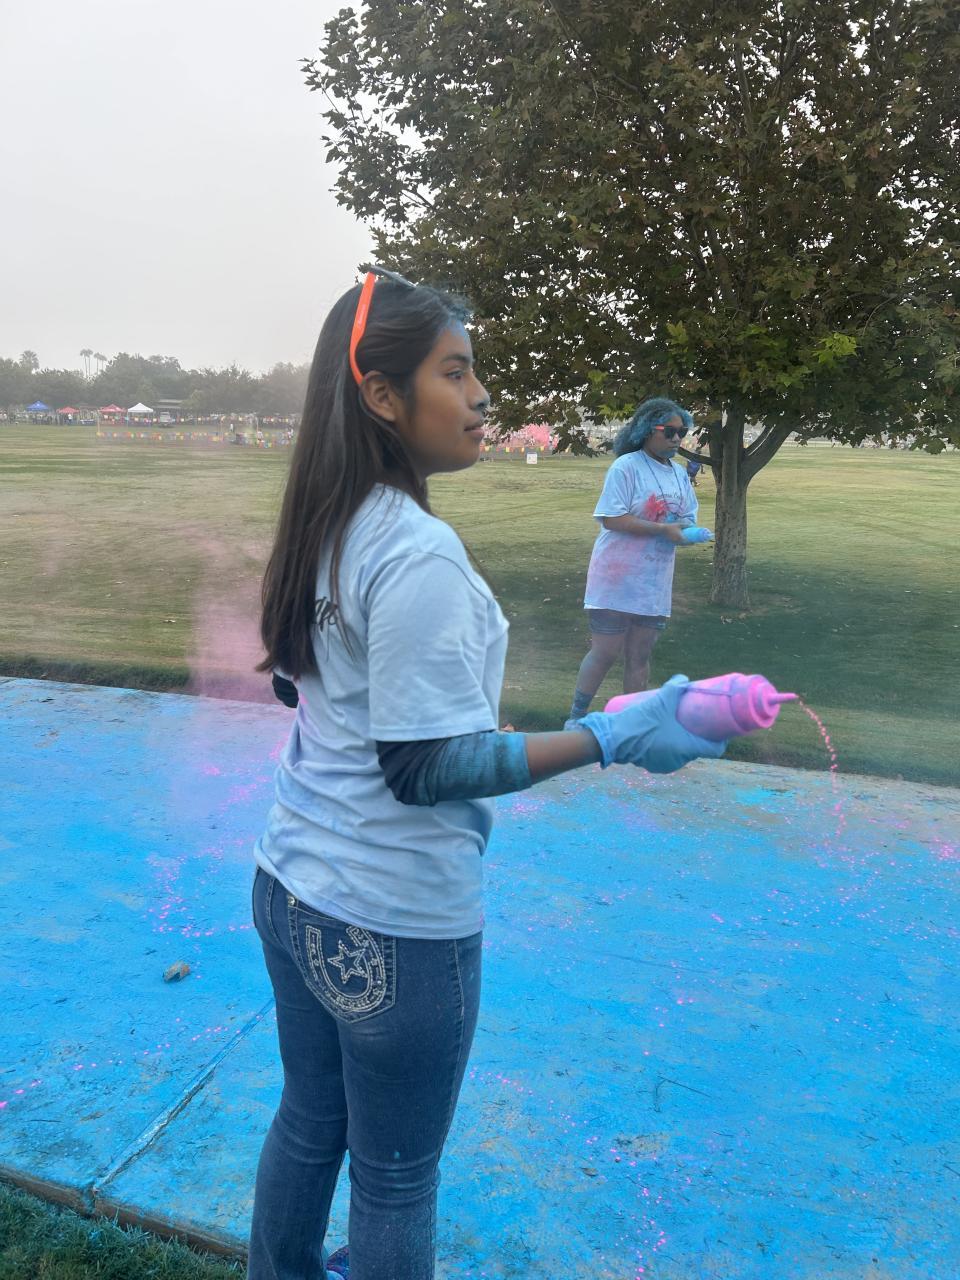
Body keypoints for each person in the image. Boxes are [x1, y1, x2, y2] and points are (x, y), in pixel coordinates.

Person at [248, 270, 725, 1280]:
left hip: (289, 884)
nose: (481, 397)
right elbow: (425, 768)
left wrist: (461, 717)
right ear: (384, 395)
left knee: (309, 1119)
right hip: (391, 917)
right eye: (455, 373)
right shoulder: (415, 551)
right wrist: (613, 734)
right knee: (394, 1178)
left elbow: (316, 688)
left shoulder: (324, 519)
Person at [565, 398, 704, 728]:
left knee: (640, 655)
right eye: (669, 431)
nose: (676, 438)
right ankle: (575, 719)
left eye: (682, 432)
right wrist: (663, 529)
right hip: (616, 576)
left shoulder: (679, 475)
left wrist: (689, 533)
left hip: (653, 580)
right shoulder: (626, 467)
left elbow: (686, 518)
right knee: (606, 652)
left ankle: (632, 727)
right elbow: (611, 518)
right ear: (646, 430)